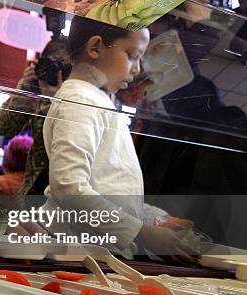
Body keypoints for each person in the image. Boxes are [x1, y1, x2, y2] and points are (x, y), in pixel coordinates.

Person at [42, 15, 198, 264]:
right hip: (79, 252)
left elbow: (108, 186)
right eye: (132, 55)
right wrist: (140, 232)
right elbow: (69, 188)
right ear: (95, 48)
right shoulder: (80, 101)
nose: (136, 69)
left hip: (96, 251)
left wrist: (151, 218)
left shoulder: (95, 99)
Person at [0, 38, 70, 195]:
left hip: (58, 195)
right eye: (50, 64)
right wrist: (25, 90)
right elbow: (3, 126)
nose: (55, 72)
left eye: (62, 67)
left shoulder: (77, 99)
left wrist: (55, 99)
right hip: (32, 192)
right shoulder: (37, 90)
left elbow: (55, 138)